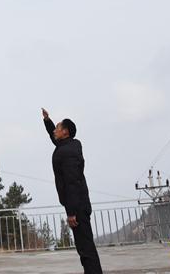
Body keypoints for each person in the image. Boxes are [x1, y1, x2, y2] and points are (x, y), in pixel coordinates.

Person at [42, 108, 103, 274]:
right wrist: (48, 122)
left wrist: (71, 212)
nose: (55, 131)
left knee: (86, 249)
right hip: (80, 204)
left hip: (77, 207)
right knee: (85, 247)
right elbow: (55, 140)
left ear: (66, 132)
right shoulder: (71, 146)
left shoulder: (66, 152)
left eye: (57, 128)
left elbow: (72, 183)